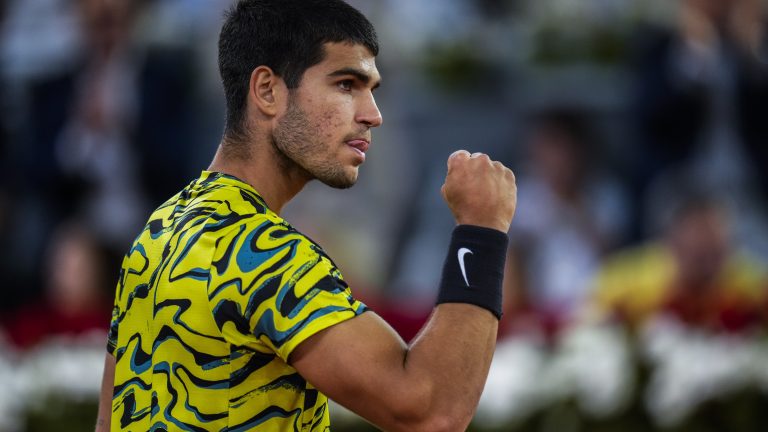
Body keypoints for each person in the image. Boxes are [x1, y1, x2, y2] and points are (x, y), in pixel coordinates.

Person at [96, 1, 517, 431]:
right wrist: (481, 230)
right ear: (267, 91)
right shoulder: (263, 254)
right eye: (346, 84)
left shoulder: (159, 229)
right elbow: (431, 412)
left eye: (372, 88)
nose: (373, 114)